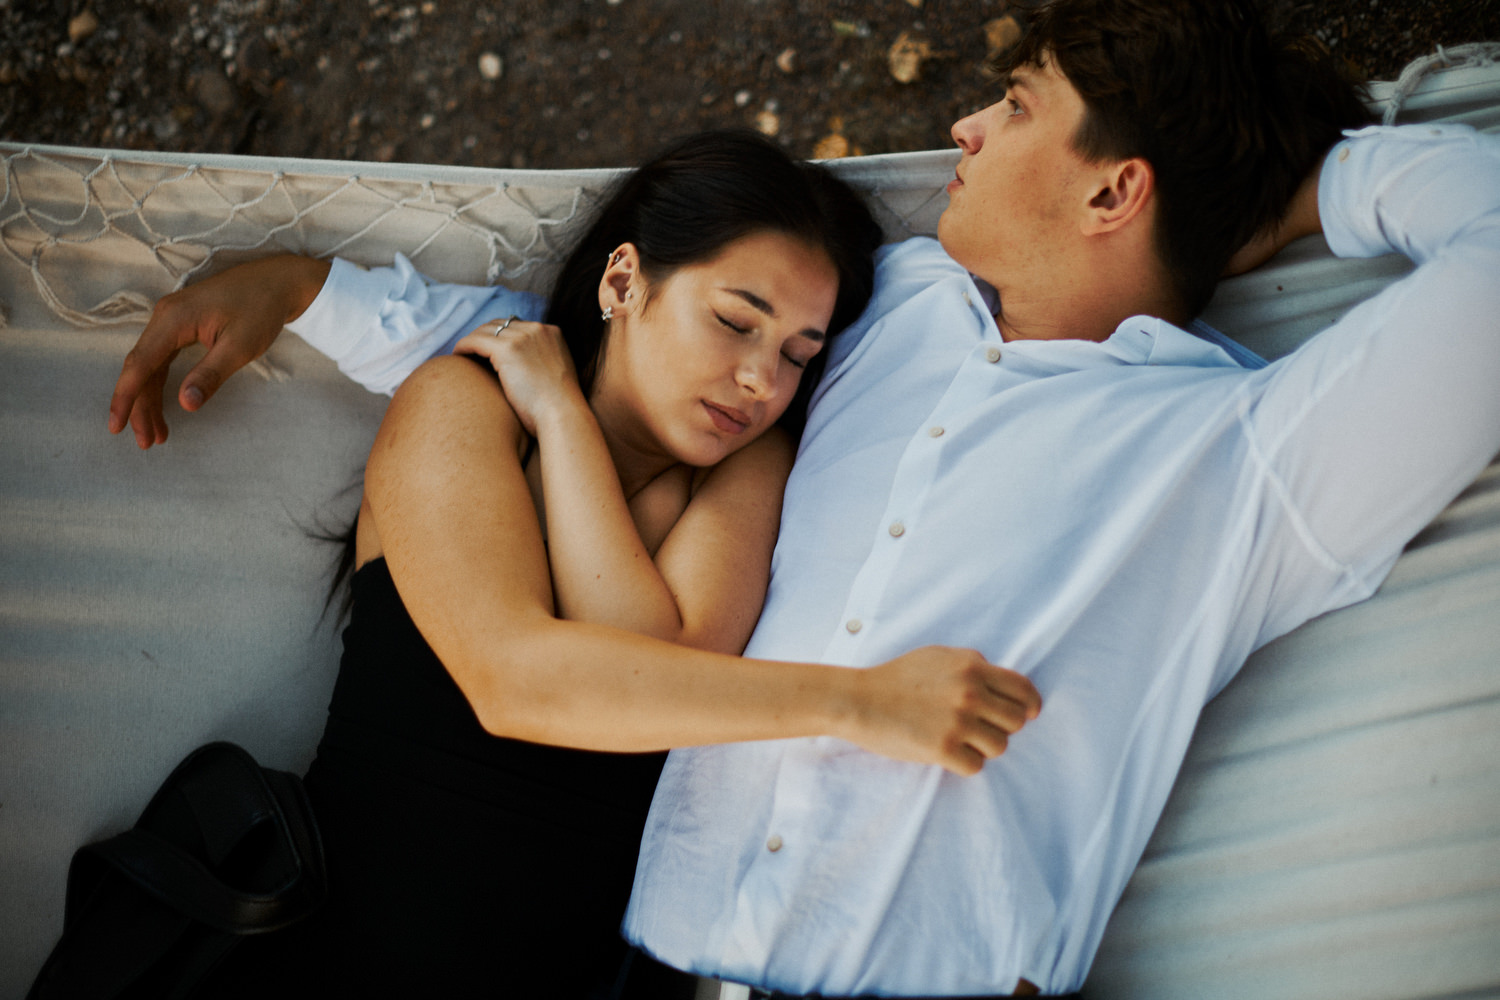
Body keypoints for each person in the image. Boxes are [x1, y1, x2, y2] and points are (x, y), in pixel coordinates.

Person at [110, 1, 1500, 996]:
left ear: (1117, 190)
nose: (964, 125)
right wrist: (317, 291)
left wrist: (1300, 189)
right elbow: (629, 359)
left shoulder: (1248, 454)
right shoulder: (888, 308)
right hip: (628, 971)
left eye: (1018, 106)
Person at [109, 130, 1048, 999]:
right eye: (736, 322)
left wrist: (565, 418)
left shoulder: (748, 465)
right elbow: (517, 683)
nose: (763, 381)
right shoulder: (463, 404)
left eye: (799, 355)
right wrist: (860, 703)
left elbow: (656, 662)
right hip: (344, 955)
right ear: (624, 280)